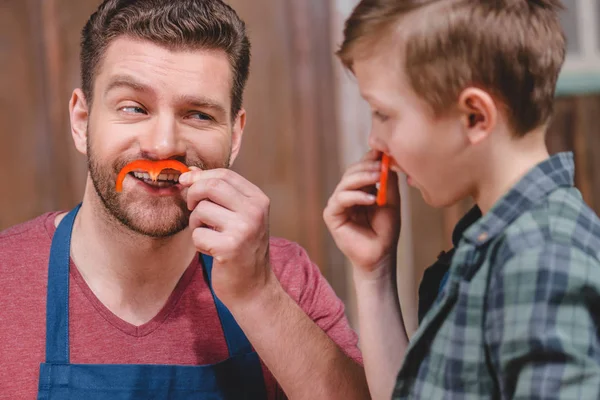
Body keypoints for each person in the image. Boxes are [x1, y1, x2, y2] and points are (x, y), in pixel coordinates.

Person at [0, 1, 371, 399]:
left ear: (235, 135)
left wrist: (258, 295)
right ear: (81, 121)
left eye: (198, 115)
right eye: (133, 107)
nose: (163, 146)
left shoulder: (286, 278)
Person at [324, 0, 600, 398]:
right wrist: (374, 274)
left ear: (474, 116)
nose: (374, 141)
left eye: (383, 114)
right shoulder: (484, 251)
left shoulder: (543, 259)